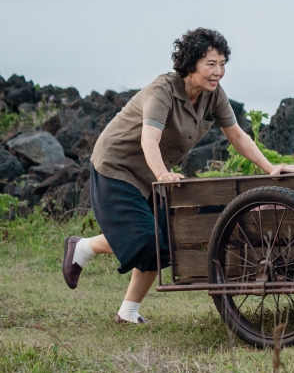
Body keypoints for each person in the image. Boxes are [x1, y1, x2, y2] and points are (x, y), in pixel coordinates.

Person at [61, 28, 282, 324]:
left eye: (222, 64)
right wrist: (163, 174)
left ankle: (127, 312)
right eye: (211, 64)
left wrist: (270, 169)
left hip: (152, 171)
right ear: (191, 63)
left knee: (167, 238)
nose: (219, 72)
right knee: (148, 240)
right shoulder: (162, 90)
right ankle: (83, 247)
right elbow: (149, 139)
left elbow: (237, 136)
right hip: (117, 166)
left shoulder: (213, 95)